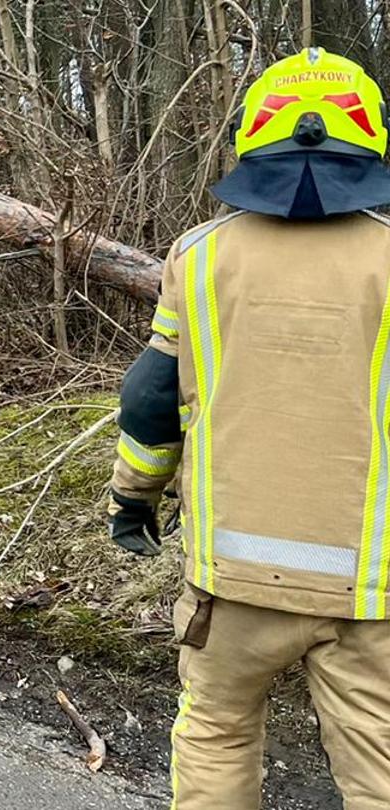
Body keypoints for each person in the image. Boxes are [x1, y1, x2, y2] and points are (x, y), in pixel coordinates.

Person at [107, 48, 390, 808]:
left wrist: (132, 500)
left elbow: (150, 401)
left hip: (232, 587)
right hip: (371, 593)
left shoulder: (199, 258)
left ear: (250, 139)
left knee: (217, 732)